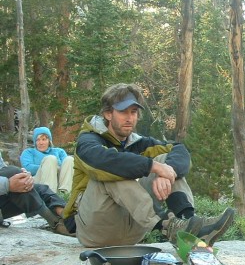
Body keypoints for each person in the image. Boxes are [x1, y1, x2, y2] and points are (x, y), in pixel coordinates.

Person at [62, 83, 235, 248]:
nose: (130, 118)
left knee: (166, 161)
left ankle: (190, 225)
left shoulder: (140, 143)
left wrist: (165, 172)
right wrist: (153, 167)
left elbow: (179, 149)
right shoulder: (88, 140)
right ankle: (167, 226)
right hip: (94, 230)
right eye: (123, 112)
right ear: (108, 114)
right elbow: (101, 160)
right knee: (112, 170)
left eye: (134, 112)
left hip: (132, 230)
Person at [1, 151, 73, 235]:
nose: (41, 142)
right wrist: (7, 184)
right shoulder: (29, 152)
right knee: (13, 172)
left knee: (41, 190)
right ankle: (54, 222)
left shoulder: (57, 150)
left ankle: (68, 218)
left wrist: (24, 175)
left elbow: (2, 168)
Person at [20, 127, 74, 194]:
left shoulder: (59, 151)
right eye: (38, 140)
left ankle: (65, 193)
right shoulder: (29, 152)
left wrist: (55, 167)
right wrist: (47, 166)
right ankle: (49, 195)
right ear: (35, 142)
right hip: (38, 182)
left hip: (58, 181)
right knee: (50, 159)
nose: (41, 143)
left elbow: (66, 169)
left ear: (49, 141)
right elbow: (28, 168)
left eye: (44, 139)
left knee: (70, 159)